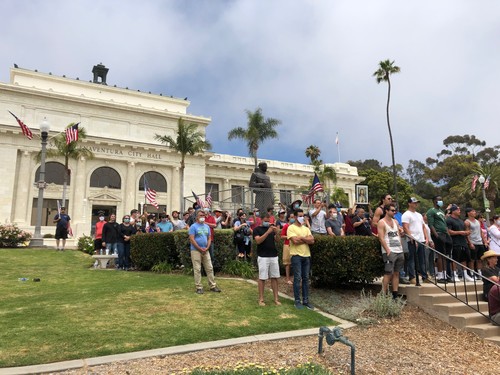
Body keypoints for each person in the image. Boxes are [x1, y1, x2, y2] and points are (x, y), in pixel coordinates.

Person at [188, 210, 221, 294]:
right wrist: (199, 248)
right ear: (196, 217)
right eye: (201, 215)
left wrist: (207, 247)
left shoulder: (206, 226)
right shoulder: (193, 227)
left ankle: (213, 286)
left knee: (209, 268)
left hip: (205, 250)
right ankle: (199, 287)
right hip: (195, 251)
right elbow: (192, 239)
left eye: (203, 215)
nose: (203, 217)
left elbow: (209, 238)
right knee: (197, 269)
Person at [287, 208, 315, 309]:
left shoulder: (306, 229)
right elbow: (294, 241)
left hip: (306, 256)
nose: (302, 218)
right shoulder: (291, 228)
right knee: (297, 278)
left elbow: (312, 240)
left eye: (303, 216)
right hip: (296, 256)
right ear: (294, 217)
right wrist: (306, 239)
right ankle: (297, 301)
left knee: (306, 279)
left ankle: (306, 300)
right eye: (299, 216)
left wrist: (301, 238)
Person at [253, 214, 281, 306]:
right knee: (262, 278)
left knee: (275, 277)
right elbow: (258, 241)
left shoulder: (271, 229)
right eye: (265, 220)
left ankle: (276, 298)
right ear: (261, 220)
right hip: (263, 256)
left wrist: (277, 233)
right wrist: (267, 232)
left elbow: (277, 240)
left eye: (268, 221)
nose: (267, 222)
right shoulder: (257, 230)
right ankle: (261, 299)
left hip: (273, 255)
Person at [378, 203, 405, 299]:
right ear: (386, 211)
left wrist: (401, 246)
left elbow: (398, 235)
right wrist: (387, 250)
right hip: (390, 250)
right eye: (392, 210)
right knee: (388, 273)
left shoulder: (395, 222)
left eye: (395, 210)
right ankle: (383, 294)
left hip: (398, 250)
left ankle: (395, 295)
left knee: (396, 273)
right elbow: (381, 238)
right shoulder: (381, 222)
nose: (394, 212)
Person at [402, 197, 431, 284]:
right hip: (412, 240)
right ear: (409, 203)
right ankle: (412, 277)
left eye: (416, 203)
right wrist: (411, 237)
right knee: (412, 259)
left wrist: (426, 238)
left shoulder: (419, 215)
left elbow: (423, 227)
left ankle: (424, 276)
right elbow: (405, 227)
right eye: (414, 202)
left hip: (421, 239)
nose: (416, 204)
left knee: (422, 259)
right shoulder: (406, 214)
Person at [427, 195, 453, 283]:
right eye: (439, 200)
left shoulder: (441, 211)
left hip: (445, 234)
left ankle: (445, 274)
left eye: (441, 199)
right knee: (440, 255)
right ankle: (440, 275)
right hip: (438, 234)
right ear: (434, 201)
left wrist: (448, 234)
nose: (441, 201)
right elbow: (431, 224)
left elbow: (444, 224)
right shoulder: (431, 211)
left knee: (445, 256)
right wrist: (436, 235)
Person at [446, 205, 473, 282]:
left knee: (464, 259)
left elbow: (464, 231)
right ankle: (454, 274)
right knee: (454, 259)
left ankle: (465, 274)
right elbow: (449, 231)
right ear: (453, 211)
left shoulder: (461, 221)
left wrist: (467, 233)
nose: (459, 211)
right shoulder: (449, 220)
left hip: (463, 242)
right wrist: (460, 232)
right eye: (457, 210)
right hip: (454, 242)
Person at [465, 208, 488, 279]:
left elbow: (481, 231)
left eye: (475, 211)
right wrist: (470, 243)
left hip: (480, 242)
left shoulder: (478, 221)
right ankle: (472, 273)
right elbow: (467, 233)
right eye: (473, 211)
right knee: (472, 259)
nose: (474, 212)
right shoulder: (467, 222)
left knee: (480, 259)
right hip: (473, 242)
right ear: (468, 213)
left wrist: (484, 241)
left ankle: (479, 272)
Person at [280, 212, 295, 285]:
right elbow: (282, 236)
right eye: (291, 217)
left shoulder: (295, 226)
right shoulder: (286, 226)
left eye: (294, 217)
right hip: (287, 245)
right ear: (288, 218)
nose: (293, 219)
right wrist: (289, 236)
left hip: (295, 245)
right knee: (288, 263)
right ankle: (287, 279)